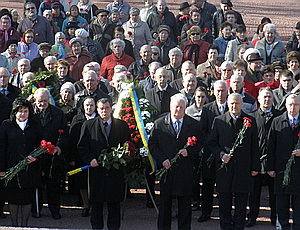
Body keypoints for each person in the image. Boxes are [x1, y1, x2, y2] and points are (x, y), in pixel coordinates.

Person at [148, 93, 202, 230]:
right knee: (165, 206)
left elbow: (200, 143)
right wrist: (162, 159)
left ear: (185, 108)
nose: (178, 110)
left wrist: (188, 152)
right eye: (176, 107)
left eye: (181, 107)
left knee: (184, 206)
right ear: (170, 107)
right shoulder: (159, 124)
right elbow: (153, 145)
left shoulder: (194, 125)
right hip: (167, 170)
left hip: (185, 170)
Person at [208, 93, 260, 230]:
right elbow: (211, 143)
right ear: (227, 103)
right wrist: (221, 155)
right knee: (224, 202)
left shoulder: (250, 121)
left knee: (241, 203)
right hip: (224, 168)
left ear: (242, 104)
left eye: (237, 103)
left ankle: (238, 226)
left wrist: (255, 167)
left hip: (243, 168)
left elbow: (255, 145)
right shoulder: (219, 120)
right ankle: (225, 226)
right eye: (231, 103)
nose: (234, 106)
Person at [78, 97, 130, 229]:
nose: (104, 111)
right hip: (97, 170)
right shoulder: (89, 125)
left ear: (111, 108)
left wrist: (122, 157)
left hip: (115, 171)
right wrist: (90, 159)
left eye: (107, 108)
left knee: (114, 203)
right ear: (97, 109)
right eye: (101, 108)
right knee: (97, 203)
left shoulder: (121, 125)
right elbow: (82, 146)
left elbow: (128, 145)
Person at [0, 98, 42, 227]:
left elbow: (41, 145)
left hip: (30, 168)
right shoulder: (6, 125)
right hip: (11, 167)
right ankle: (14, 225)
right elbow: (2, 147)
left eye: (25, 111)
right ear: (14, 112)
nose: (22, 114)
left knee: (27, 197)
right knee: (13, 198)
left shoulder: (35, 125)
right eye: (20, 111)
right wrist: (2, 168)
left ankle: (24, 225)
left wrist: (36, 158)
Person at [246, 88, 282, 227]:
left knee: (274, 193)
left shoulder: (279, 116)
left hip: (273, 161)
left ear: (273, 99)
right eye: (264, 97)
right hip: (256, 161)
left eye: (269, 97)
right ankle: (252, 217)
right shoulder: (251, 117)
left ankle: (275, 217)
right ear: (258, 99)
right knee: (254, 193)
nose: (267, 99)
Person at [32, 88, 67, 220]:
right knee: (37, 183)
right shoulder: (30, 113)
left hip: (52, 155)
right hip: (36, 154)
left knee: (53, 184)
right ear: (35, 100)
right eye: (40, 101)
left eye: (45, 101)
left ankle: (55, 210)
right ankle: (36, 209)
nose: (42, 104)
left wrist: (59, 147)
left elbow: (65, 133)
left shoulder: (58, 113)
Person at [266, 93, 300, 230]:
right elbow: (271, 146)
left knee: (298, 202)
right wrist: (270, 167)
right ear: (285, 105)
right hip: (281, 169)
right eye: (290, 104)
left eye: (296, 104)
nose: (293, 107)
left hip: (298, 170)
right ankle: (282, 225)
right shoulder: (277, 121)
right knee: (281, 202)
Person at [199, 80, 229, 222]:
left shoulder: (232, 106)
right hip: (210, 153)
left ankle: (226, 214)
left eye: (223, 90)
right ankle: (206, 211)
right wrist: (212, 146)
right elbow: (202, 131)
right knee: (208, 184)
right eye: (218, 91)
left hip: (226, 153)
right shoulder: (207, 109)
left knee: (225, 186)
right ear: (213, 92)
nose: (220, 93)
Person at [68, 96, 96, 217]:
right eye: (87, 105)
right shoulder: (77, 119)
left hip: (96, 156)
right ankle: (85, 205)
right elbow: (72, 140)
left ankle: (95, 205)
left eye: (91, 105)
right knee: (82, 183)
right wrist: (72, 158)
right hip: (81, 156)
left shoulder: (100, 118)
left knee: (96, 183)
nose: (89, 108)